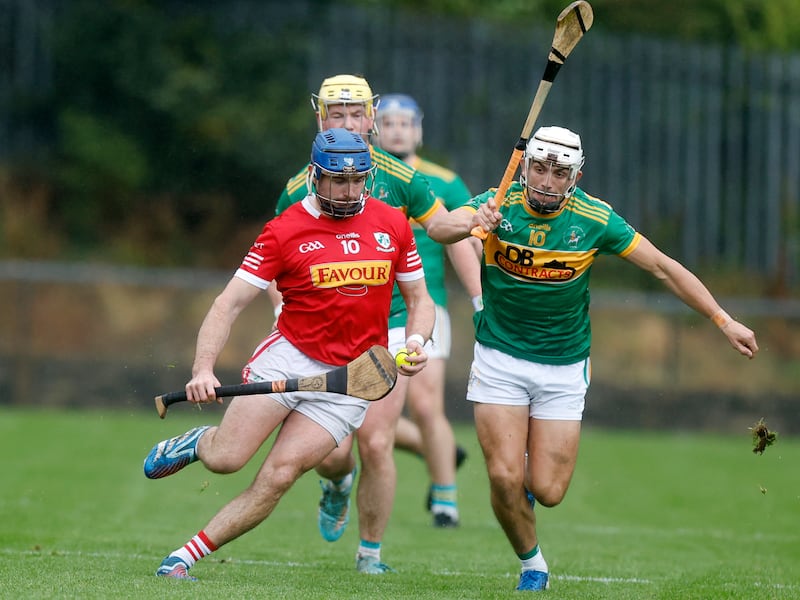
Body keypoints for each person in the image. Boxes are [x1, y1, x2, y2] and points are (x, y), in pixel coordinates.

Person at [426, 125, 759, 592]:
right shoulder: (495, 202)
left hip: (563, 366)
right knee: (503, 476)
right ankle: (532, 564)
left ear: (575, 177)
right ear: (524, 167)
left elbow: (663, 268)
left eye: (558, 173)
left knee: (548, 491)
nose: (545, 180)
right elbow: (439, 228)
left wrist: (724, 321)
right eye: (538, 168)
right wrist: (473, 221)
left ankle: (525, 481)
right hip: (499, 357)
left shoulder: (596, 219)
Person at [142, 128, 435, 581]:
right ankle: (200, 442)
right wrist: (202, 368)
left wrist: (416, 342)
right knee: (227, 460)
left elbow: (420, 300)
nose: (349, 190)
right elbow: (229, 303)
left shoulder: (392, 223)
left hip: (352, 379)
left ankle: (183, 558)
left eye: (358, 181)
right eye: (338, 181)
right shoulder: (284, 231)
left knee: (278, 477)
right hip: (289, 357)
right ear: (316, 177)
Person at [268, 74, 481, 572]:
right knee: (335, 454)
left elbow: (444, 227)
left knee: (378, 440)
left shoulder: (402, 177)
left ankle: (371, 554)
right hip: (326, 333)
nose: (347, 124)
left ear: (371, 118)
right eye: (336, 114)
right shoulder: (299, 186)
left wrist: (477, 217)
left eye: (355, 114)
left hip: (392, 326)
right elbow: (274, 262)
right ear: (321, 117)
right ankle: (337, 485)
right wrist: (281, 313)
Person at [373, 93, 480, 527]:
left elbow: (471, 242)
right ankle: (431, 449)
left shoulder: (445, 182)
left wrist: (480, 295)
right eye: (389, 122)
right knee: (364, 408)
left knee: (425, 403)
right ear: (376, 127)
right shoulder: (359, 177)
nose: (398, 129)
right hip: (369, 311)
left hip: (424, 309)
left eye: (406, 122)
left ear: (419, 129)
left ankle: (445, 498)